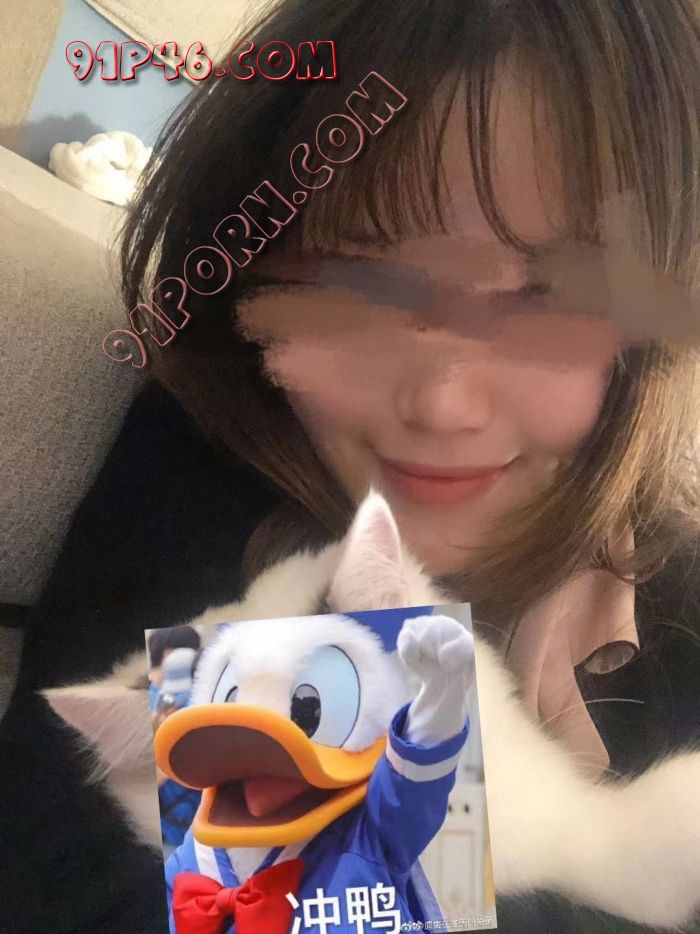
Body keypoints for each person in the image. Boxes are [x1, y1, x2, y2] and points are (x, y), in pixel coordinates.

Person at [1, 1, 698, 932]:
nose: (444, 405)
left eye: (554, 295)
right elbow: (69, 878)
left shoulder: (674, 596)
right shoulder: (212, 459)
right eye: (358, 281)